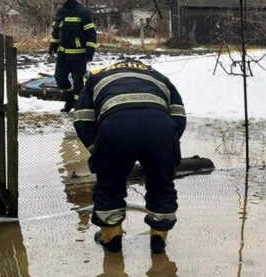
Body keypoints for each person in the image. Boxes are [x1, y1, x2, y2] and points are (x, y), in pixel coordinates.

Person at [72, 58, 186, 254]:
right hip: (160, 129)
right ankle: (158, 240)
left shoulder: (96, 78)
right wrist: (170, 144)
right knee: (162, 185)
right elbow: (179, 115)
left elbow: (82, 118)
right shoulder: (158, 77)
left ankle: (111, 239)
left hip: (115, 128)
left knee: (110, 187)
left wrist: (97, 148)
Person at [49, 0, 96, 113]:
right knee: (60, 78)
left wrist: (90, 50)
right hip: (63, 54)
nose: (62, 0)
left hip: (78, 55)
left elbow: (91, 33)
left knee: (78, 81)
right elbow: (56, 31)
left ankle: (78, 106)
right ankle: (69, 100)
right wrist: (53, 45)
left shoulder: (82, 12)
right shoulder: (60, 11)